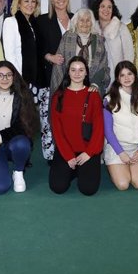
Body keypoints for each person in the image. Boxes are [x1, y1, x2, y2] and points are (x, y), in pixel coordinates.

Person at [0, 61, 39, 194]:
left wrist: (0, 138)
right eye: (1, 75)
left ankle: (19, 171)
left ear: (14, 77)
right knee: (0, 187)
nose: (5, 79)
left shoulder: (23, 95)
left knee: (21, 144)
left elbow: (25, 126)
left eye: (9, 75)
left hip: (13, 142)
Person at [49, 56, 104, 196]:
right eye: (73, 70)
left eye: (81, 70)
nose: (77, 73)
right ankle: (73, 170)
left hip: (87, 151)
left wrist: (89, 153)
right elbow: (57, 130)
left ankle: (81, 169)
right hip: (66, 150)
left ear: (86, 73)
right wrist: (68, 156)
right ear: (68, 72)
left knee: (88, 189)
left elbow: (99, 128)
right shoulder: (58, 96)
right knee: (58, 187)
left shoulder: (93, 96)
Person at [36, 0, 73, 160]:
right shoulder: (42, 20)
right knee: (49, 116)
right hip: (49, 75)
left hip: (73, 79)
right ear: (51, 0)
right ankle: (51, 154)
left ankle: (68, 151)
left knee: (68, 117)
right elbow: (35, 47)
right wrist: (49, 56)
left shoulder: (75, 19)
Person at [103, 61, 138, 191]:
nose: (126, 78)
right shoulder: (109, 100)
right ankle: (113, 165)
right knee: (123, 185)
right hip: (116, 149)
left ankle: (131, 166)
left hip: (137, 149)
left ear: (135, 76)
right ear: (117, 79)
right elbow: (108, 131)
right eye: (122, 75)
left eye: (129, 74)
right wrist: (121, 153)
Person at [50, 8, 109, 95]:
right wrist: (63, 86)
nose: (85, 23)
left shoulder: (98, 40)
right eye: (81, 20)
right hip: (69, 86)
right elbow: (59, 63)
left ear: (92, 22)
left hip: (91, 87)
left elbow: (103, 65)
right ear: (76, 22)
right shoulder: (67, 37)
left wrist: (95, 84)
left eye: (88, 20)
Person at [2, 0, 42, 91]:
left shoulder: (35, 24)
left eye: (33, 1)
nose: (30, 4)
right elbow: (10, 54)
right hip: (19, 78)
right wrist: (19, 78)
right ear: (19, 3)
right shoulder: (10, 22)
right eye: (26, 1)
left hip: (35, 79)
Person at [91, 0, 134, 85]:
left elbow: (129, 54)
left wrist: (124, 75)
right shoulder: (91, 29)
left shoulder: (121, 28)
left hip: (117, 76)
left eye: (109, 7)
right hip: (95, 76)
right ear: (97, 9)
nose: (106, 10)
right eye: (102, 6)